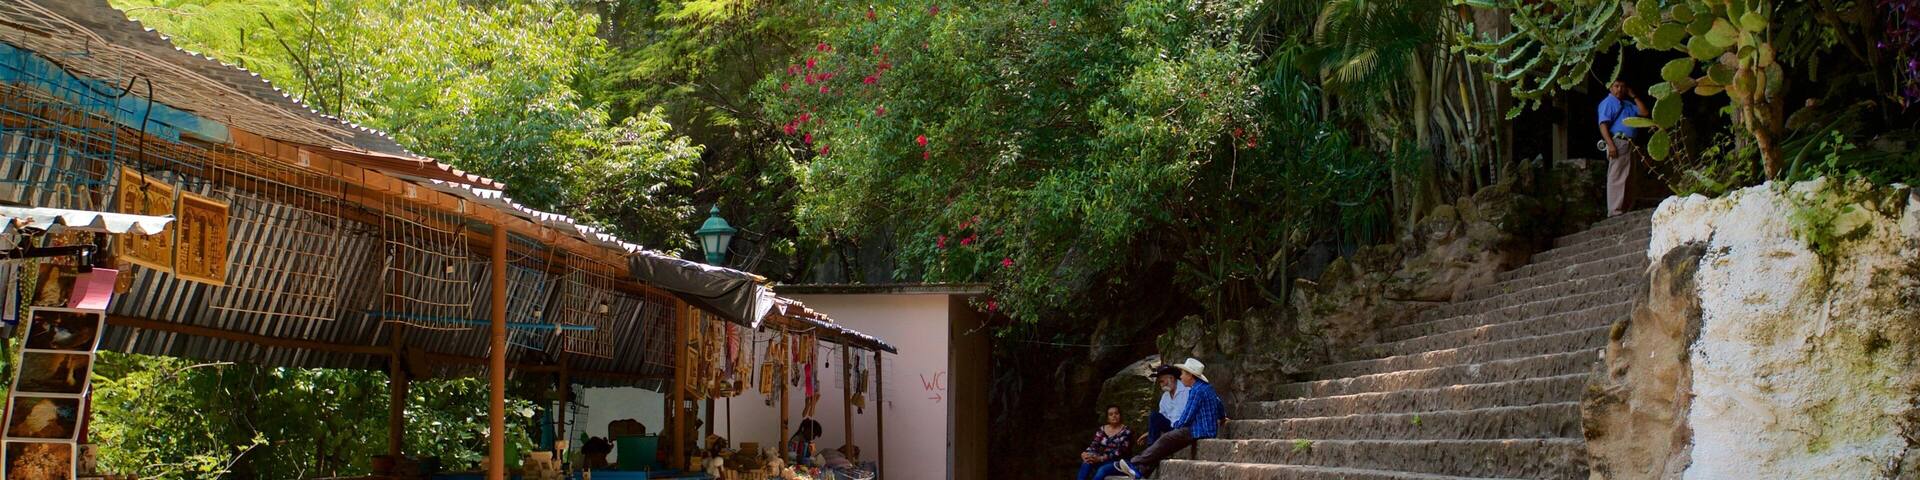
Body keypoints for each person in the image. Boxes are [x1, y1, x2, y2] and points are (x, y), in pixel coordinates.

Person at [1116, 358, 1225, 479]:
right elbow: (1218, 403)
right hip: (1197, 428)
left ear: (1190, 375)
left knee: (1167, 439)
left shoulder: (1195, 391)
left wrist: (1177, 427)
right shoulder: (1205, 387)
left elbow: (1187, 416)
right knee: (1165, 436)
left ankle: (1135, 463)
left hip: (1198, 430)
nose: (1181, 377)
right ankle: (1140, 469)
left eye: (1183, 374)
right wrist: (1222, 417)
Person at [1598, 79, 1649, 217]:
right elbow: (1603, 125)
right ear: (1610, 88)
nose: (1619, 89)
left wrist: (1633, 96)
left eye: (1622, 86)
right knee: (1617, 176)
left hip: (1630, 143)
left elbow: (1644, 113)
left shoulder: (1627, 104)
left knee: (1629, 177)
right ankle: (1615, 211)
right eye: (1616, 86)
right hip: (1618, 142)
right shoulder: (1608, 102)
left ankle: (1626, 209)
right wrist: (1610, 144)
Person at [1076, 405, 1135, 480]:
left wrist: (1100, 458)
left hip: (1120, 463)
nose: (1114, 416)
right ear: (1107, 418)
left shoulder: (1127, 431)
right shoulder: (1102, 429)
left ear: (1120, 415)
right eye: (1111, 414)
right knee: (1087, 462)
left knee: (1102, 470)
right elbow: (1094, 445)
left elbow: (1119, 451)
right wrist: (1085, 453)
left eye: (1116, 413)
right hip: (1104, 460)